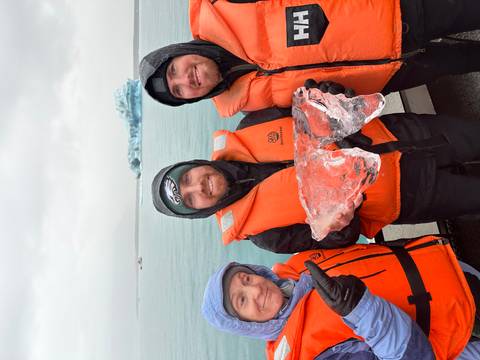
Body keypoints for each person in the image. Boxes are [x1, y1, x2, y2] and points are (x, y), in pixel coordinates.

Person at [151, 83, 480, 253]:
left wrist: (332, 94)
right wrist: (339, 225)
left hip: (402, 134)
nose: (200, 187)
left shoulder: (250, 124)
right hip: (407, 197)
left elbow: (314, 99)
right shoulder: (266, 237)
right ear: (200, 212)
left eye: (189, 178)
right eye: (192, 199)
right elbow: (338, 243)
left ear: (194, 165)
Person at [140, 0, 480, 117]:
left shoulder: (226, 8)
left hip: (391, 12)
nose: (187, 80)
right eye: (179, 91)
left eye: (175, 70)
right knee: (467, 61)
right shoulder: (244, 105)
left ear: (179, 52)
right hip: (391, 75)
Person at [201, 235, 480, 359]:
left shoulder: (298, 268)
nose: (255, 291)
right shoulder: (305, 355)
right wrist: (361, 310)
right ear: (245, 324)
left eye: (246, 279)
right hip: (460, 337)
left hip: (458, 276)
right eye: (242, 301)